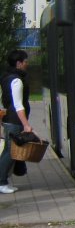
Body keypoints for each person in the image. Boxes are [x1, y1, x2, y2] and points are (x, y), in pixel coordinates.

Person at [0, 49, 33, 194]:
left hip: (10, 119)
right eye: (26, 61)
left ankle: (4, 180)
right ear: (19, 63)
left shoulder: (6, 77)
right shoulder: (17, 80)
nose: (27, 64)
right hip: (14, 120)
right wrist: (26, 124)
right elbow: (18, 105)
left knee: (11, 151)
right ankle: (1, 182)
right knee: (10, 151)